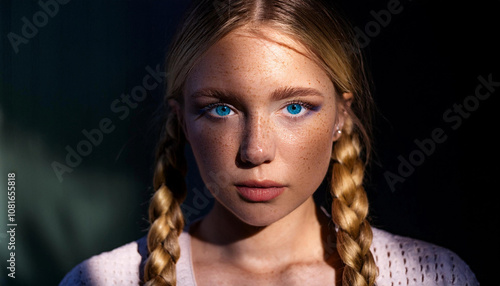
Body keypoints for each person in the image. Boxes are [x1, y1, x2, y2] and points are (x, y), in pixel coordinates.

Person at [59, 0, 479, 285]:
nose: (256, 151)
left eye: (295, 108)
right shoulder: (101, 279)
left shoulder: (431, 276)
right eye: (222, 109)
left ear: (341, 117)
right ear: (182, 120)